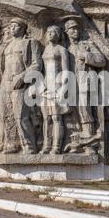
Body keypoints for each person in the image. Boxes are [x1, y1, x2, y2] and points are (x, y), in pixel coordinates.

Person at [0, 17, 41, 154]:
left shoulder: (30, 43)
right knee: (7, 115)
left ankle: (29, 146)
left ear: (23, 28)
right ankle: (12, 144)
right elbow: (0, 68)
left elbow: (37, 64)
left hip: (20, 83)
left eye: (16, 26)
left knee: (21, 116)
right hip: (5, 84)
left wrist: (22, 77)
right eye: (11, 26)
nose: (12, 28)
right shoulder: (6, 46)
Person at [64, 18, 106, 141]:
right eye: (72, 29)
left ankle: (89, 131)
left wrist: (87, 56)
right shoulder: (66, 48)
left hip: (85, 79)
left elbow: (102, 60)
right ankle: (78, 130)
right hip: (71, 81)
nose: (75, 31)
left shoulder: (87, 44)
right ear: (66, 31)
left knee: (84, 104)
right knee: (74, 106)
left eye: (77, 28)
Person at [40, 25, 69, 155]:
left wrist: (63, 88)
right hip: (46, 85)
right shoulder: (45, 50)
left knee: (56, 117)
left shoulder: (62, 49)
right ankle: (46, 145)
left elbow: (66, 71)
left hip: (57, 85)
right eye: (49, 31)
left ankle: (56, 146)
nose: (50, 34)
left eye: (54, 32)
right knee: (46, 118)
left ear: (59, 35)